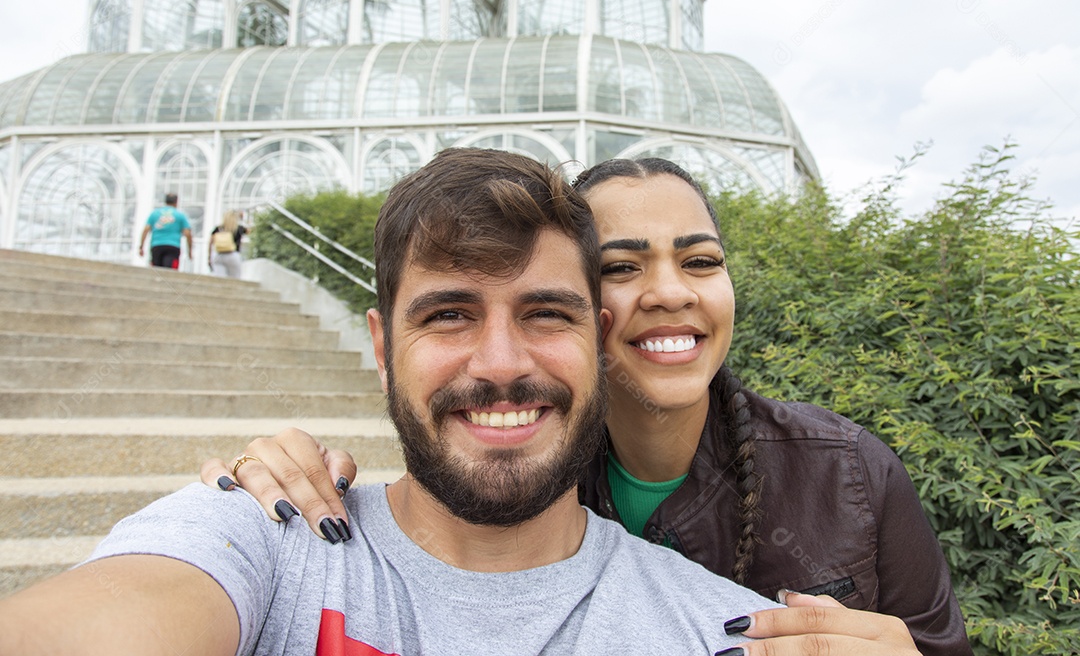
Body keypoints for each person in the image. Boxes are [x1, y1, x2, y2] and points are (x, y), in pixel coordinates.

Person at [0, 149, 917, 656]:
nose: (502, 362)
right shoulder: (264, 538)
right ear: (376, 344)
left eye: (544, 314)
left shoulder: (725, 618)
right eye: (447, 314)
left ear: (593, 338)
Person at [138, 193, 193, 269]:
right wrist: (189, 250)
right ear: (176, 202)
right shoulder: (180, 215)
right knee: (170, 271)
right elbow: (188, 234)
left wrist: (141, 246)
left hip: (156, 245)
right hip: (173, 246)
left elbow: (146, 230)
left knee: (156, 270)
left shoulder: (155, 213)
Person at [208, 209, 248, 278]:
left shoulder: (218, 229)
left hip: (218, 255)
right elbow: (250, 231)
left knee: (219, 280)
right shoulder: (239, 228)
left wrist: (209, 257)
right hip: (233, 255)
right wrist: (242, 219)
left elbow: (210, 243)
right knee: (235, 279)